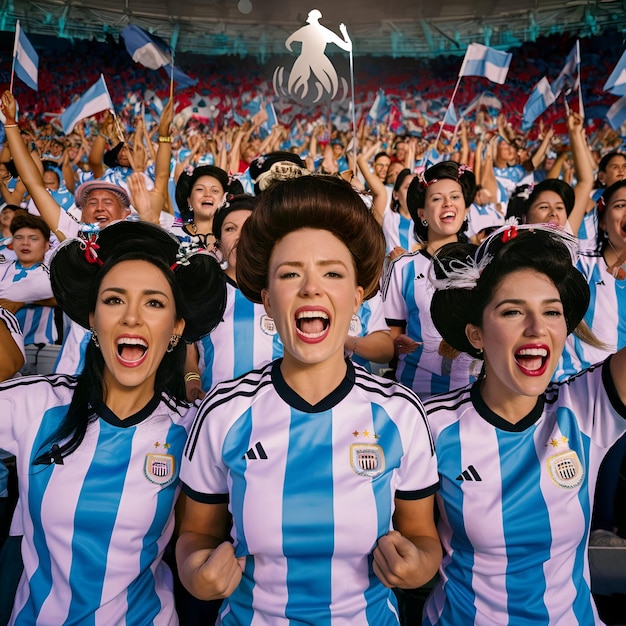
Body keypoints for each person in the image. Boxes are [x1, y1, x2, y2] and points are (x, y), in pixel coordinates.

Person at [176, 175, 441, 624]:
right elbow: (196, 534)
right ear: (266, 298)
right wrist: (196, 573)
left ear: (358, 295)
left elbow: (423, 537)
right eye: (290, 273)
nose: (311, 288)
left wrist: (418, 568)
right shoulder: (222, 412)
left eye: (333, 273)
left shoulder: (400, 413)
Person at [0, 220, 226, 624]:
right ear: (91, 318)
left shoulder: (195, 430)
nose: (132, 319)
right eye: (114, 300)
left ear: (177, 329)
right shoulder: (33, 405)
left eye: (154, 303)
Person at [421, 223, 626, 625]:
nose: (537, 328)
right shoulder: (431, 426)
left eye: (552, 311)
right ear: (475, 334)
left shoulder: (586, 408)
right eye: (513, 311)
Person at [383, 161, 481, 399]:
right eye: (437, 198)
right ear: (422, 213)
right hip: (416, 394)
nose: (448, 203)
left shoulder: (485, 263)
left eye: (455, 197)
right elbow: (390, 333)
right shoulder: (402, 267)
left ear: (466, 208)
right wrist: (396, 343)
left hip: (477, 394)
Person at [184, 193, 284, 400]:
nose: (241, 237)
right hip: (215, 409)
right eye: (230, 229)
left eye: (250, 227)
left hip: (278, 410)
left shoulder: (285, 286)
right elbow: (189, 344)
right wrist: (192, 379)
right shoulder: (206, 287)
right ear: (218, 242)